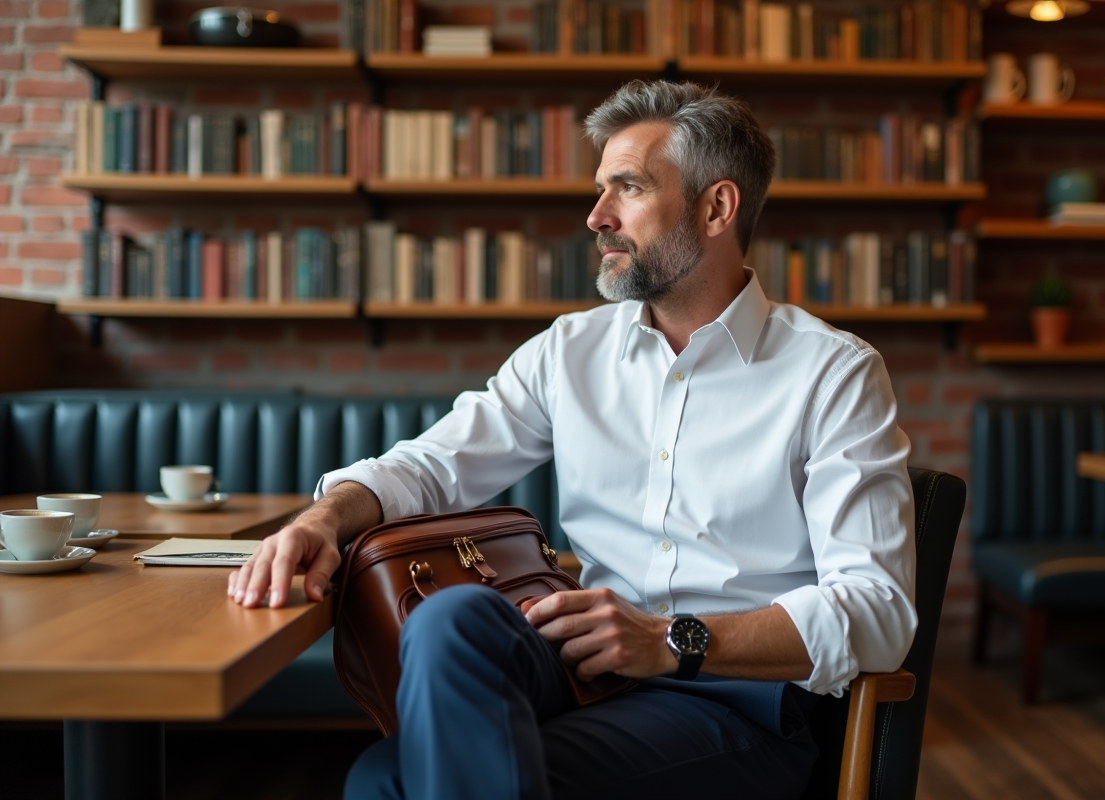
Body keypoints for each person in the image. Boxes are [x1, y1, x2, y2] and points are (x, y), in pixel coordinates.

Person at [228, 80, 917, 800]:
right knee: (452, 618)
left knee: (385, 781)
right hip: (584, 668)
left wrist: (671, 639)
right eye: (599, 190)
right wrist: (325, 518)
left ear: (717, 207)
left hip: (736, 701)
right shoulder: (570, 352)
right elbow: (433, 465)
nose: (597, 217)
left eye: (628, 188)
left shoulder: (833, 373)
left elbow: (877, 610)